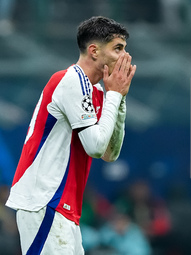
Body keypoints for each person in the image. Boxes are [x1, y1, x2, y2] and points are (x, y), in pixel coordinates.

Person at [5, 16, 137, 255]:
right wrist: (115, 95)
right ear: (94, 50)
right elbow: (95, 147)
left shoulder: (96, 91)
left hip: (63, 209)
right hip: (45, 202)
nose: (124, 57)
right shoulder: (71, 81)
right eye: (118, 48)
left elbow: (109, 153)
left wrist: (120, 98)